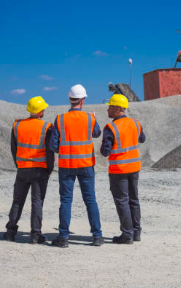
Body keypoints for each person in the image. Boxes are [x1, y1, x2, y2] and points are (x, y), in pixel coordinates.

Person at [50, 84, 104, 248]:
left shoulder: (60, 119)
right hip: (86, 165)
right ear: (83, 100)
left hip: (66, 165)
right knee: (90, 200)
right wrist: (94, 119)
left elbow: (53, 146)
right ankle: (97, 236)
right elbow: (96, 134)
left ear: (70, 99)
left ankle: (64, 238)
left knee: (66, 201)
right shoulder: (90, 118)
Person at [4, 96, 54, 244]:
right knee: (37, 202)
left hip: (23, 169)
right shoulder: (46, 127)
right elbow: (49, 152)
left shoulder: (17, 126)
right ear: (40, 112)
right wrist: (49, 169)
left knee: (17, 201)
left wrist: (19, 164)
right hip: (39, 170)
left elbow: (14, 149)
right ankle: (35, 235)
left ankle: (10, 232)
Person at [100, 94, 145, 244]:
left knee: (122, 201)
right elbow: (142, 139)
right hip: (134, 167)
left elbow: (105, 152)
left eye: (110, 106)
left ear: (118, 108)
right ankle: (136, 232)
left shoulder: (111, 128)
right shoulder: (136, 123)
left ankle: (127, 235)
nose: (107, 109)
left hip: (119, 170)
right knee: (134, 200)